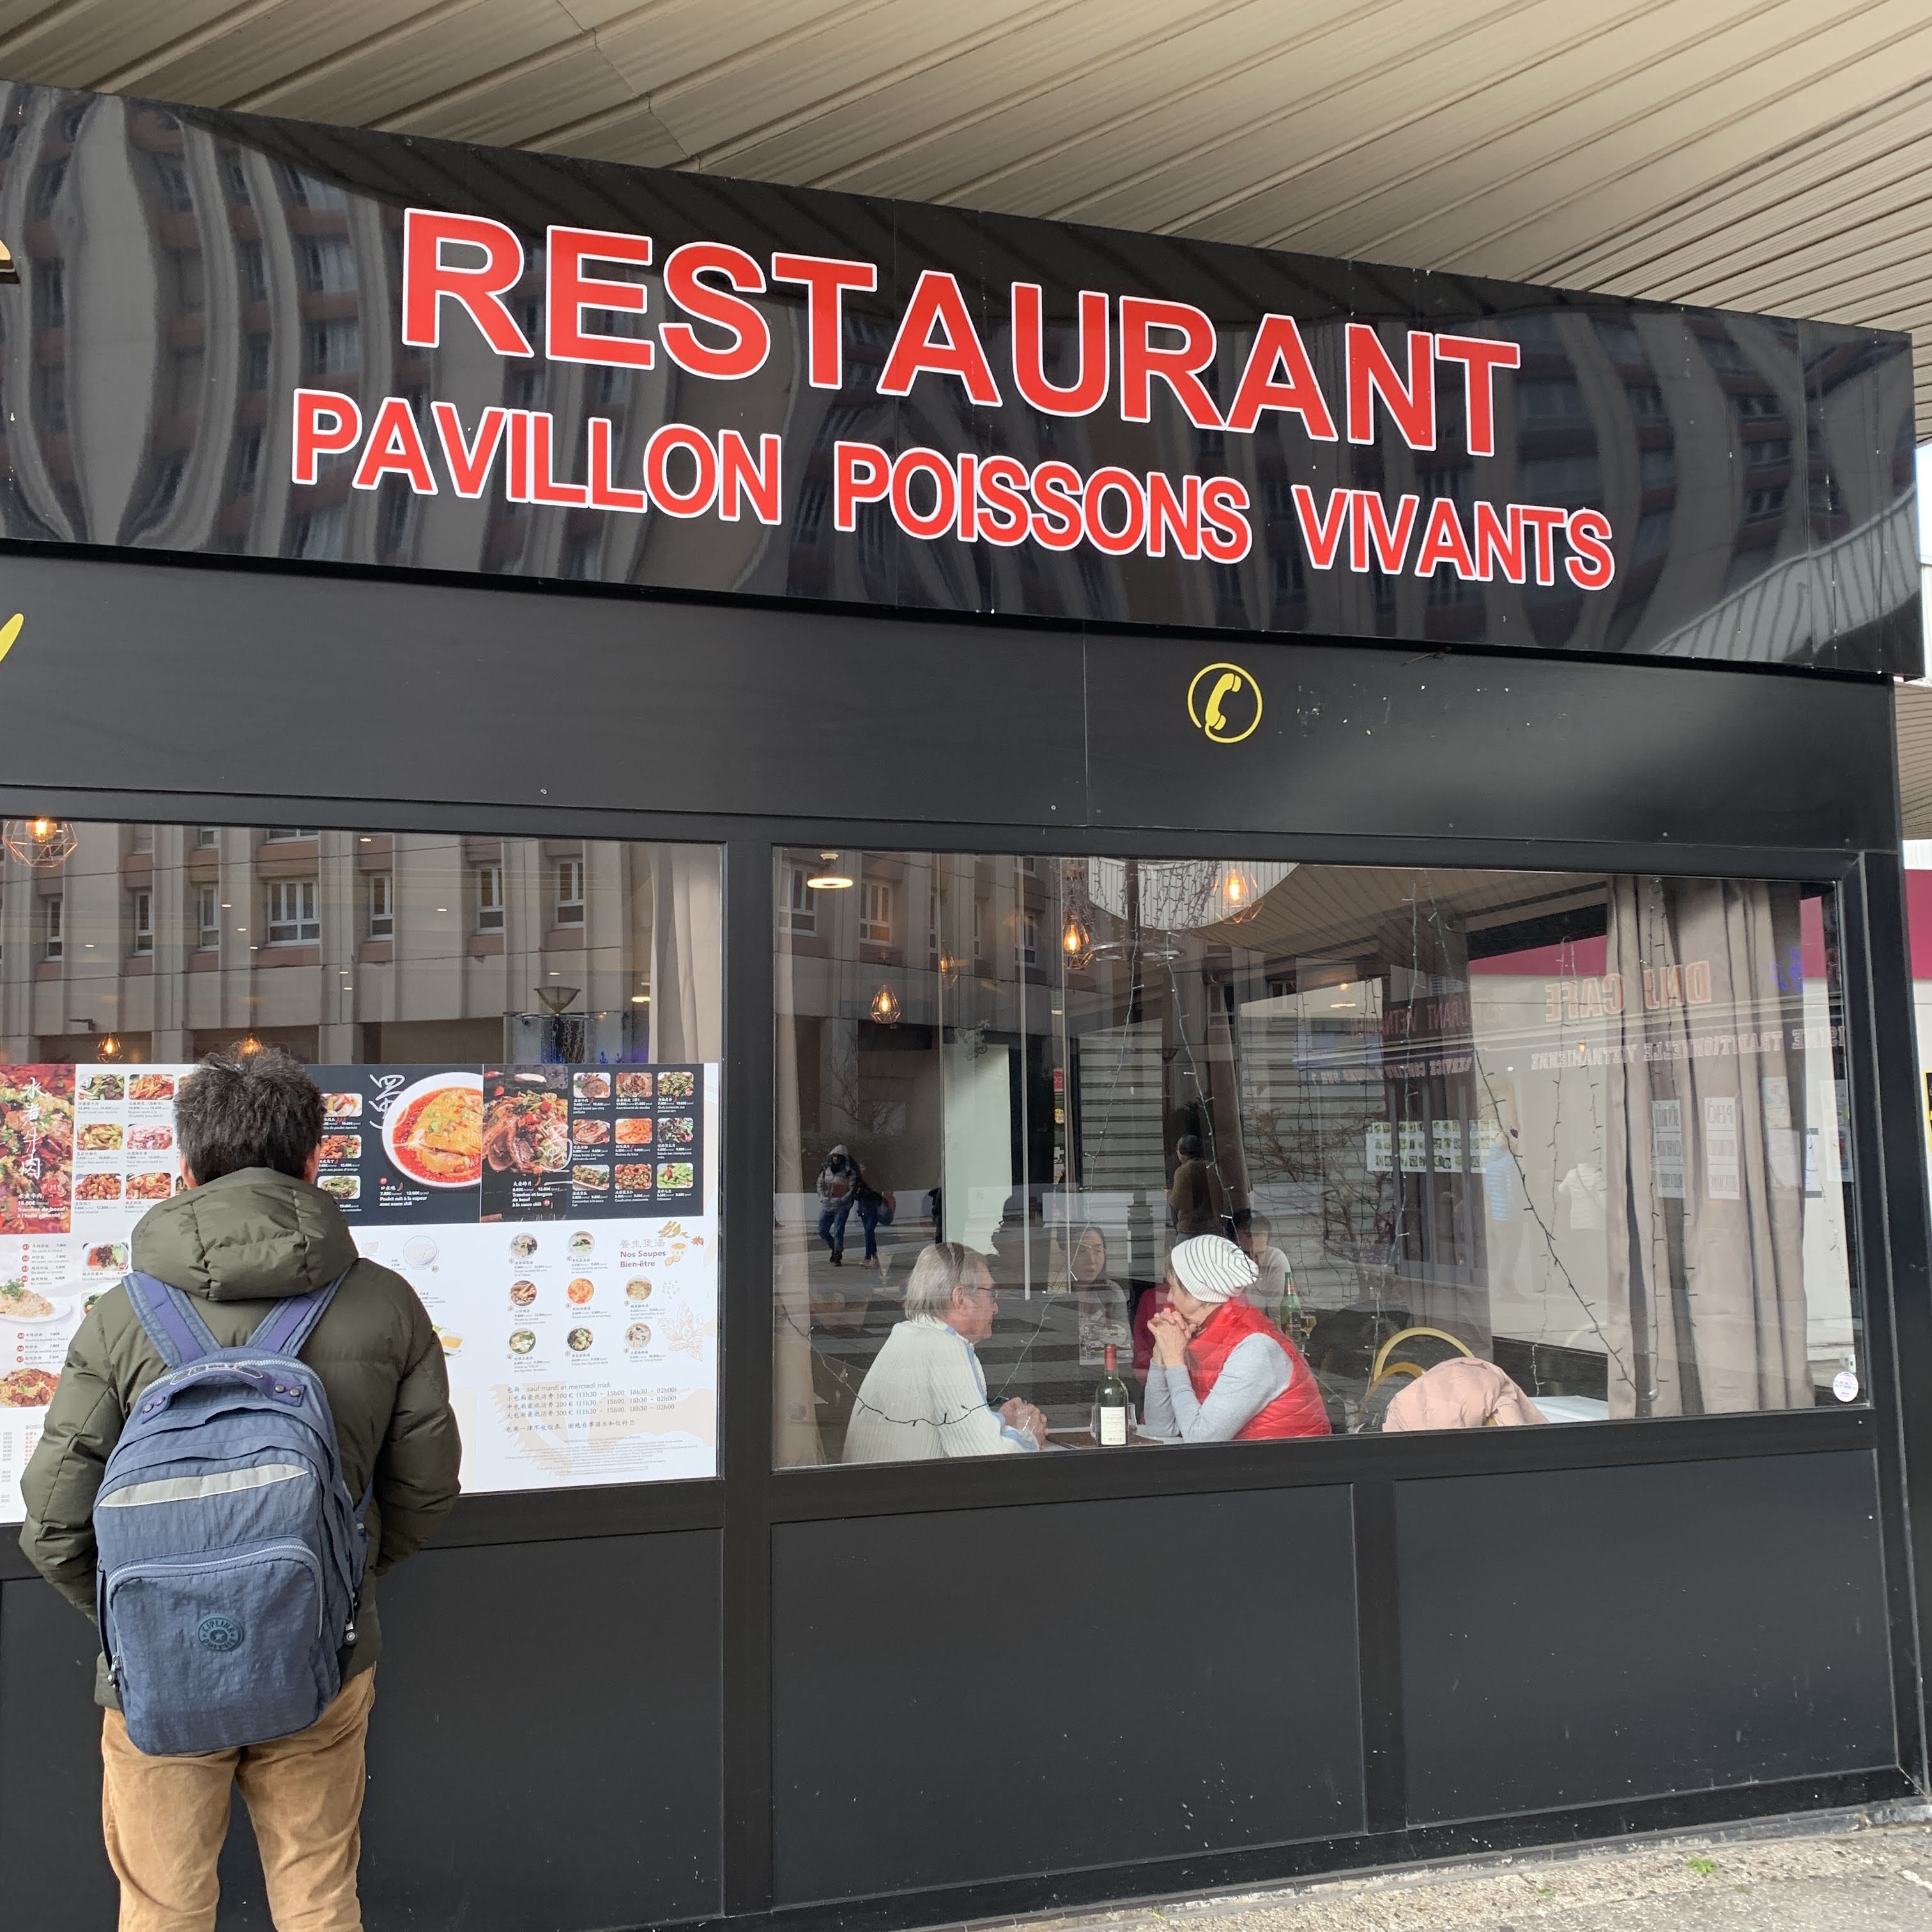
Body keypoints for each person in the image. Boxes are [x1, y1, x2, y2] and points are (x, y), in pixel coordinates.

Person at [19, 1048, 462, 1932]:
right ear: (314, 1162)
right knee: (319, 1898)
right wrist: (333, 1580)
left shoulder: (122, 1315)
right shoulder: (385, 1304)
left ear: (185, 1169)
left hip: (158, 1668)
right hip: (321, 1651)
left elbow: (54, 1520)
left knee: (164, 1909)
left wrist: (150, 1609)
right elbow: (425, 1490)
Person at [842, 1241, 1048, 1461]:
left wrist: (998, 1421)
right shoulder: (945, 1348)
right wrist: (1030, 1437)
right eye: (990, 1294)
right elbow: (989, 1457)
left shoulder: (909, 1333)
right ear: (960, 1299)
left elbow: (958, 1430)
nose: (995, 1308)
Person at [1143, 1234, 1331, 1441]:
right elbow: (1161, 1428)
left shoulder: (1254, 1347)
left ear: (1197, 1293)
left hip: (1290, 1460)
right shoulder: (1201, 1333)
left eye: (1173, 1287)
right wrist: (1161, 1353)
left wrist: (1175, 1361)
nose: (1169, 1298)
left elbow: (1201, 1439)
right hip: (1247, 1459)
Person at [815, 1144, 882, 1266]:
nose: (836, 1159)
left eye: (838, 1157)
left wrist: (842, 1199)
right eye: (834, 1156)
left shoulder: (849, 1172)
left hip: (842, 1207)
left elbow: (852, 1189)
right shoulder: (826, 1170)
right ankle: (835, 1248)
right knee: (822, 1230)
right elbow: (819, 1184)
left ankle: (838, 1254)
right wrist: (822, 1197)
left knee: (839, 1232)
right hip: (827, 1205)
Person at [1233, 1209, 1297, 1331]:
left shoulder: (1275, 1259)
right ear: (1233, 1244)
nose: (1254, 1262)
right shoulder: (1222, 1263)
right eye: (1247, 1254)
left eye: (1260, 1254)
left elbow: (1280, 1314)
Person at [1168, 1133, 1225, 1236]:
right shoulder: (1213, 1168)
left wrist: (1169, 1194)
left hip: (1190, 1228)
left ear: (1182, 1151)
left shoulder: (1183, 1171)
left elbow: (1176, 1203)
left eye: (1178, 1150)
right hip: (1213, 1226)